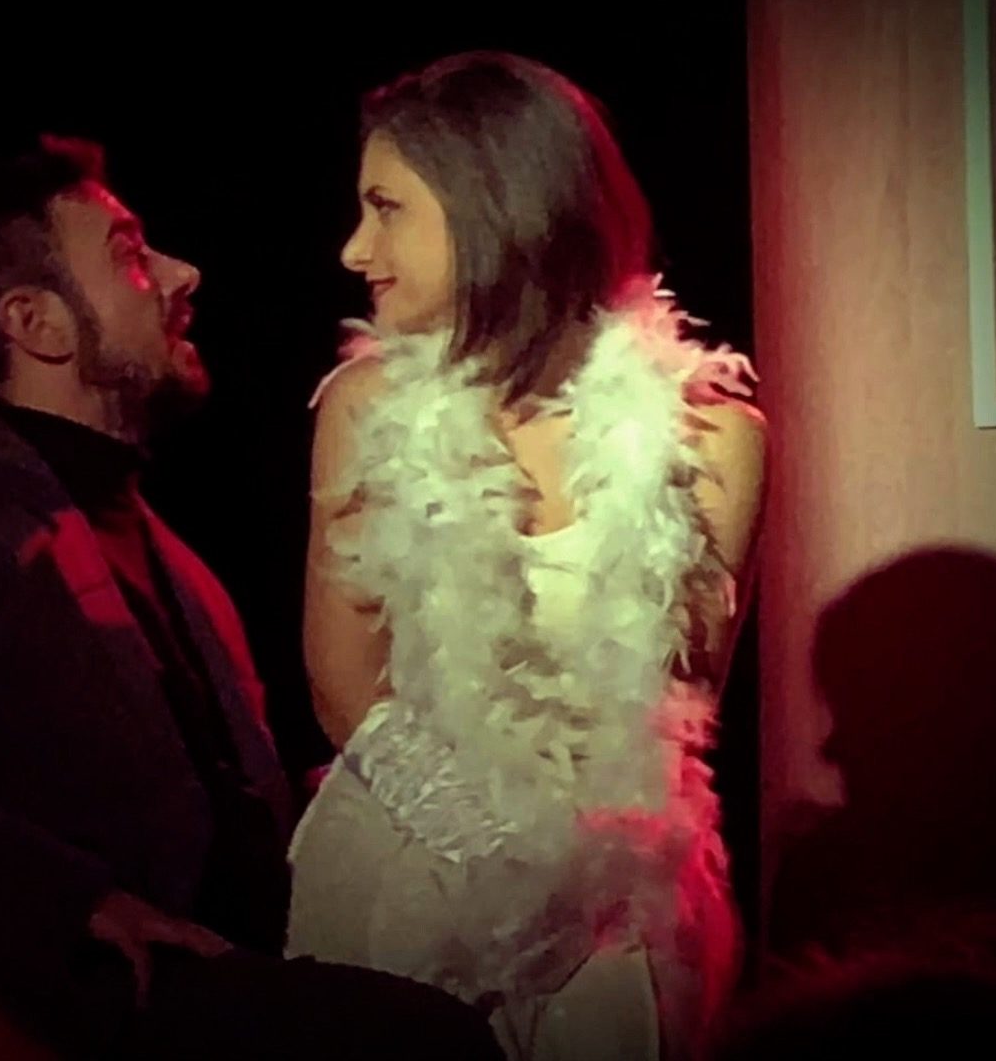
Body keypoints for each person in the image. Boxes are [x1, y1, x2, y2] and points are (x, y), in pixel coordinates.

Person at [0, 135, 502, 1060]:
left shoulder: (174, 561)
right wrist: (72, 902)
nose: (182, 274)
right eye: (128, 255)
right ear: (36, 323)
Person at [286, 52, 766, 1061]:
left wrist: (576, 891)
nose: (354, 248)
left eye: (386, 208)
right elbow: (344, 691)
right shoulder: (366, 409)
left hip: (619, 919)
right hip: (406, 885)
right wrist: (504, 865)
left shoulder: (713, 437)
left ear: (495, 208)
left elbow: (680, 705)